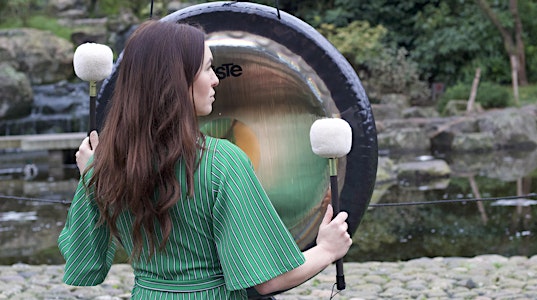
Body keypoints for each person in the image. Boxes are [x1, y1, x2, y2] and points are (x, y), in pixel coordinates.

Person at [59, 20, 352, 299]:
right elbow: (268, 280)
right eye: (208, 69)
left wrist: (91, 179)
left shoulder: (105, 165)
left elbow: (83, 263)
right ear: (177, 80)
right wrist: (326, 249)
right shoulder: (222, 162)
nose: (215, 81)